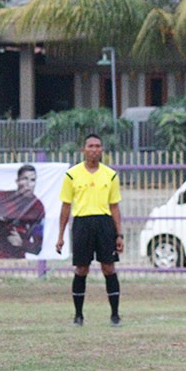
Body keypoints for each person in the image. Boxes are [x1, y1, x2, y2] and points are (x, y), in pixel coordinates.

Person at [56, 134, 124, 326]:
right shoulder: (72, 174)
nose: (94, 149)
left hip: (104, 224)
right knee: (81, 269)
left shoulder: (110, 175)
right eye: (91, 146)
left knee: (108, 268)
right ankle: (78, 315)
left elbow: (115, 207)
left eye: (98, 146)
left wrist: (119, 234)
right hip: (82, 224)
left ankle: (115, 315)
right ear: (84, 150)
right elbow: (66, 206)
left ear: (102, 150)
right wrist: (60, 236)